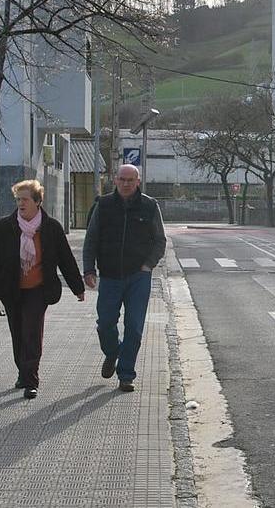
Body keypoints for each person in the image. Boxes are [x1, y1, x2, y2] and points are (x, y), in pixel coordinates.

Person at [0, 180, 85, 399]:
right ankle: (23, 370)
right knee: (17, 333)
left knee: (31, 332)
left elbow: (66, 259)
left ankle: (31, 380)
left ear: (37, 201)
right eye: (18, 199)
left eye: (25, 199)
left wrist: (78, 287)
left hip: (39, 289)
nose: (20, 204)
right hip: (12, 290)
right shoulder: (6, 227)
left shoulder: (51, 228)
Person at [83, 164, 166, 393]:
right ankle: (112, 352)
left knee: (135, 327)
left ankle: (126, 375)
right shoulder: (104, 205)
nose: (126, 183)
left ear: (138, 181)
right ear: (115, 180)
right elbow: (91, 240)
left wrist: (148, 265)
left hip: (138, 277)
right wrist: (88, 270)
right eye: (122, 179)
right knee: (105, 324)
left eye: (131, 180)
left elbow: (160, 241)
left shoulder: (149, 206)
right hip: (109, 276)